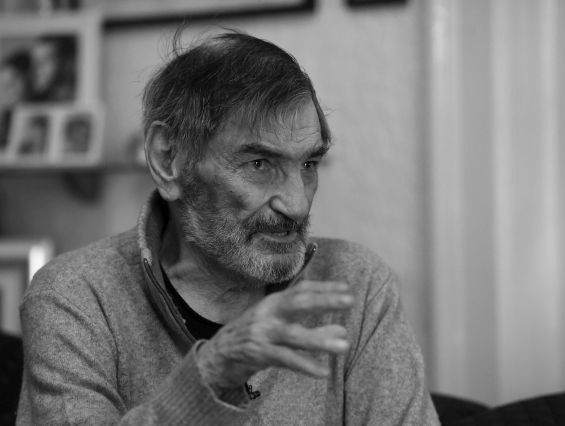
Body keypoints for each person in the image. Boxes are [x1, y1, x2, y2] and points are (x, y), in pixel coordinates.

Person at [17, 31, 440, 425]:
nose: (297, 204)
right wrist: (211, 374)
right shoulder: (77, 296)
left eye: (309, 164)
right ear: (168, 159)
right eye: (259, 164)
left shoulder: (357, 284)